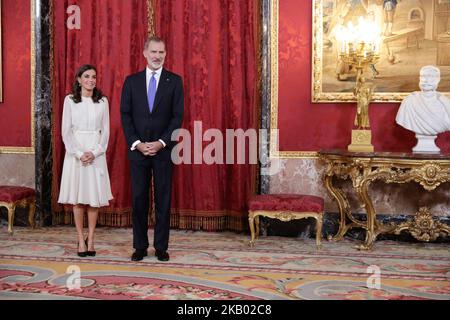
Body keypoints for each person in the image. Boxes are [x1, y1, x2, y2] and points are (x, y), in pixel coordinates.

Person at [120, 36, 184, 262]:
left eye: (162, 53)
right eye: (154, 52)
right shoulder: (131, 81)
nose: (158, 56)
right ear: (145, 53)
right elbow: (125, 115)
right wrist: (137, 144)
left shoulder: (175, 81)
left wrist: (161, 143)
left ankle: (160, 247)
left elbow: (177, 118)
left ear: (166, 54)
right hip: (138, 152)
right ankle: (139, 246)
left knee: (163, 200)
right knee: (139, 199)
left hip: (164, 151)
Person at [58, 64, 113, 257]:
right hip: (77, 154)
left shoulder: (102, 101)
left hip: (95, 154)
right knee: (79, 198)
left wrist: (95, 152)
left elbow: (106, 131)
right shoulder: (70, 101)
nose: (91, 80)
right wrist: (78, 153)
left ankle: (92, 239)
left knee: (93, 199)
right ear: (79, 79)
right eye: (87, 76)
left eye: (94, 77)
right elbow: (66, 131)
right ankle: (80, 239)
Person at [396, 66, 450, 152]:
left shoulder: (445, 102)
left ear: (438, 79)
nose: (425, 80)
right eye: (423, 76)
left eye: (430, 76)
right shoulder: (410, 100)